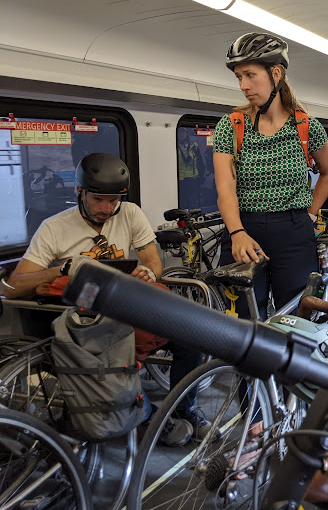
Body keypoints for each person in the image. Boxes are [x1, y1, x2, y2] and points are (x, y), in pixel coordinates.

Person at [6, 153, 208, 445]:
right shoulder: (54, 227)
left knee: (190, 334)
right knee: (118, 346)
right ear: (80, 192)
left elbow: (154, 265)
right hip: (83, 320)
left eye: (113, 200)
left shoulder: (129, 214)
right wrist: (61, 269)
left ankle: (184, 407)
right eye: (98, 200)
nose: (107, 208)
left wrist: (148, 275)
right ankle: (142, 412)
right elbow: (14, 287)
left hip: (122, 305)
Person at [213, 32, 328, 320]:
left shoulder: (306, 126)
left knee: (296, 318)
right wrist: (237, 233)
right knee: (242, 319)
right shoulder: (230, 127)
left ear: (275, 73)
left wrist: (311, 213)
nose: (243, 85)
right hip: (244, 228)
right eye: (238, 77)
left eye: (250, 75)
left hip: (294, 231)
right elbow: (225, 189)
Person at [177, 128, 205, 209]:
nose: (181, 134)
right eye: (179, 132)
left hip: (193, 178)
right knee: (182, 201)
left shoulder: (194, 146)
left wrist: (201, 176)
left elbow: (200, 162)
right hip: (180, 179)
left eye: (183, 132)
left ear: (187, 134)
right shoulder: (174, 145)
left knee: (193, 201)